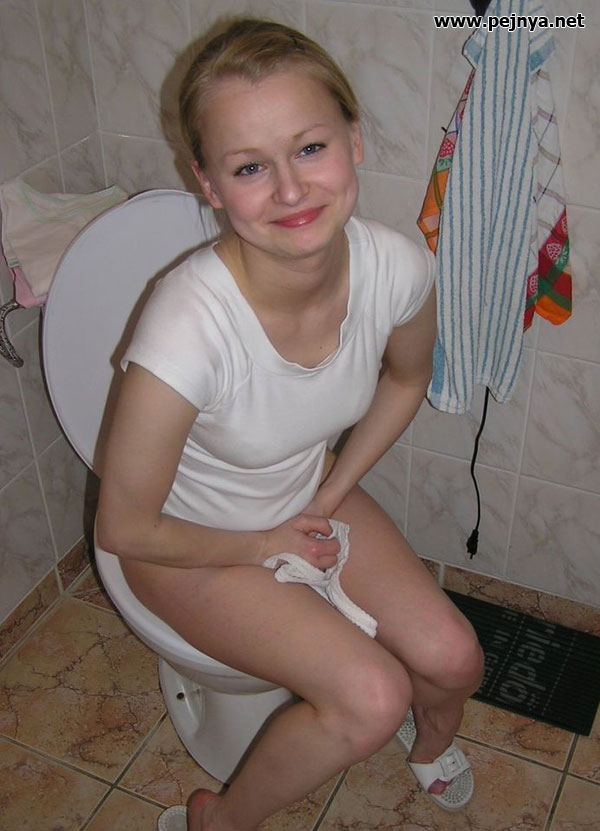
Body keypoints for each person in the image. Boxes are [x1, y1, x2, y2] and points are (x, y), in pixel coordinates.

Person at [96, 17, 484, 831]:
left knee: (455, 659)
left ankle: (429, 745)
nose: (290, 189)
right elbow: (126, 526)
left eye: (310, 147)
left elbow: (407, 376)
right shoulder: (186, 329)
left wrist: (330, 493)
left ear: (354, 139)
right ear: (209, 184)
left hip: (300, 497)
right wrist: (265, 543)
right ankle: (219, 818)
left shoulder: (397, 267)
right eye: (249, 167)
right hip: (183, 544)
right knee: (371, 695)